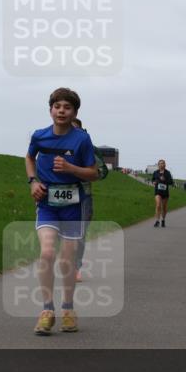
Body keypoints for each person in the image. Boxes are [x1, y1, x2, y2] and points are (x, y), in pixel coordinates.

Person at [26, 89, 98, 335]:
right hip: (46, 204)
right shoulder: (39, 136)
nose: (62, 111)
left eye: (67, 107)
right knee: (46, 253)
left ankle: (68, 308)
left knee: (67, 260)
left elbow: (94, 173)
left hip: (72, 206)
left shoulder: (81, 140)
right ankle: (47, 310)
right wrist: (33, 182)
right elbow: (29, 157)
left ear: (75, 112)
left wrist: (70, 168)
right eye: (57, 106)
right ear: (51, 110)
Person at [71, 118, 108, 283]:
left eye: (75, 128)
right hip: (58, 195)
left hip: (83, 195)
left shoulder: (89, 148)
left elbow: (103, 171)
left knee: (80, 233)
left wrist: (88, 173)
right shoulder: (55, 144)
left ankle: (75, 268)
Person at [152, 160, 173, 227]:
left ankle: (163, 220)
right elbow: (153, 179)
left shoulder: (167, 173)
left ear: (165, 165)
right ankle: (157, 221)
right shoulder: (155, 172)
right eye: (160, 163)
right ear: (158, 165)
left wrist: (165, 180)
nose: (161, 165)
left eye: (163, 163)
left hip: (165, 192)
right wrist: (154, 182)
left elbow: (171, 182)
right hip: (157, 191)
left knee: (164, 207)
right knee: (158, 205)